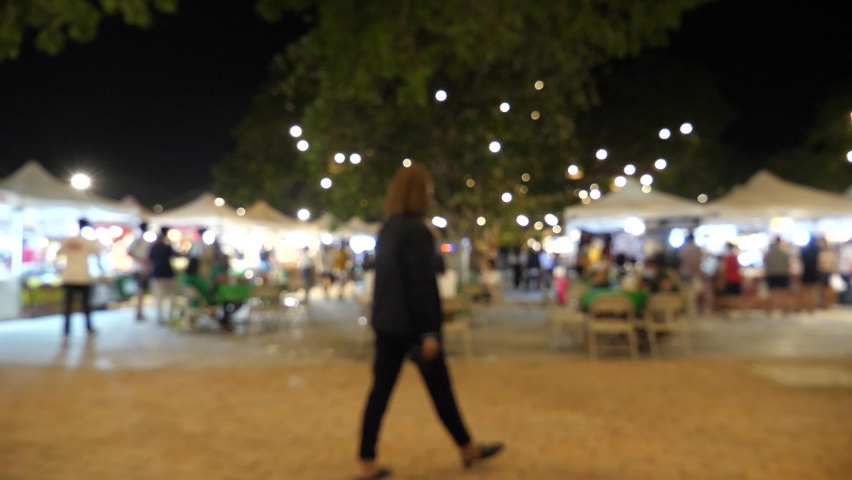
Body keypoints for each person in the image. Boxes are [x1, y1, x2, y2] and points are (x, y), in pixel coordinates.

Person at [358, 165, 502, 480]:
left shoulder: (388, 230)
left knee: (381, 393)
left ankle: (367, 461)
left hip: (387, 324)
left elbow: (385, 281)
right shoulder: (418, 232)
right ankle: (467, 448)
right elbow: (421, 286)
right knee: (440, 389)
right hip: (413, 327)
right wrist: (429, 332)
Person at [57, 219, 103, 338]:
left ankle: (66, 330)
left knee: (68, 305)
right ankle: (88, 327)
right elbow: (98, 255)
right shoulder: (88, 242)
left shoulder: (67, 241)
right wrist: (101, 270)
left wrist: (60, 271)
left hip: (69, 276)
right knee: (86, 304)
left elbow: (58, 255)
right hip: (83, 276)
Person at [148, 227, 178, 325]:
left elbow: (150, 259)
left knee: (159, 298)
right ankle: (169, 316)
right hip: (167, 273)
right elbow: (174, 256)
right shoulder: (167, 247)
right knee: (170, 297)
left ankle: (160, 317)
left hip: (158, 274)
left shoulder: (154, 247)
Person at [127, 222, 152, 321]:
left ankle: (139, 312)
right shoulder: (139, 241)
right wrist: (141, 260)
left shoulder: (142, 241)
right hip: (140, 269)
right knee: (141, 291)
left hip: (141, 268)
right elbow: (130, 252)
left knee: (141, 291)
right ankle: (139, 312)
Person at [764, 237, 791, 314]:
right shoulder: (784, 253)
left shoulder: (769, 254)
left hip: (771, 274)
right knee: (783, 292)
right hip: (782, 274)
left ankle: (771, 308)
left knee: (772, 292)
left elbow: (766, 264)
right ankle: (784, 308)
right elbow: (788, 264)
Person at [799, 237, 821, 313]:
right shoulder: (817, 249)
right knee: (813, 291)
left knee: (804, 290)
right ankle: (811, 307)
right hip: (814, 272)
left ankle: (805, 305)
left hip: (806, 271)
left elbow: (801, 260)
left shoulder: (805, 250)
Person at [719, 243, 742, 312]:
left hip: (728, 278)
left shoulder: (725, 258)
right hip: (736, 278)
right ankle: (744, 312)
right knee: (738, 296)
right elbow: (738, 267)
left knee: (728, 296)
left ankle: (728, 311)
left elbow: (722, 269)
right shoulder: (735, 257)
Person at [817, 237, 838, 308]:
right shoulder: (819, 251)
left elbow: (833, 261)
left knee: (827, 288)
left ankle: (827, 303)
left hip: (828, 271)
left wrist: (834, 269)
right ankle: (820, 302)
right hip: (820, 271)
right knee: (820, 287)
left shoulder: (831, 252)